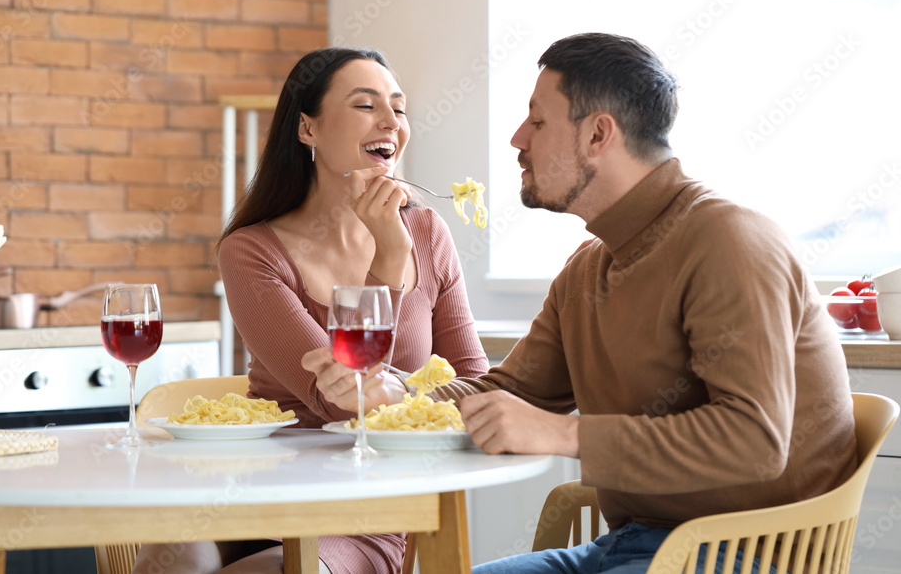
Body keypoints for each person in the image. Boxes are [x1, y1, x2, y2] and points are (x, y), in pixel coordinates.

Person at [305, 33, 857, 574]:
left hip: (742, 552)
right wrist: (397, 394)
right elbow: (509, 392)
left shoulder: (728, 241)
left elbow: (755, 441)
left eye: (538, 121)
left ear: (598, 134)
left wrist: (561, 433)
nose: (518, 138)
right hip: (629, 547)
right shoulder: (589, 267)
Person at [132, 46, 490, 574]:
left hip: (369, 507)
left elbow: (471, 383)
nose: (391, 121)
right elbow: (338, 394)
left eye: (399, 106)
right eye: (366, 106)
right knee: (170, 563)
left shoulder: (427, 235)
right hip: (252, 491)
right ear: (307, 130)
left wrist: (392, 253)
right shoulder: (253, 251)